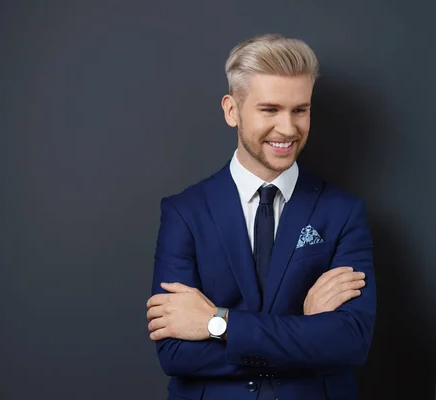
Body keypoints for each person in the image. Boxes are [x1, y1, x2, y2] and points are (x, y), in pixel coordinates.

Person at [145, 34, 376, 400]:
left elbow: (349, 343)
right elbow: (177, 354)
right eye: (270, 110)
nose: (287, 129)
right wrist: (306, 330)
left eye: (300, 110)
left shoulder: (344, 213)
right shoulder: (183, 212)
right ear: (231, 110)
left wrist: (216, 324)